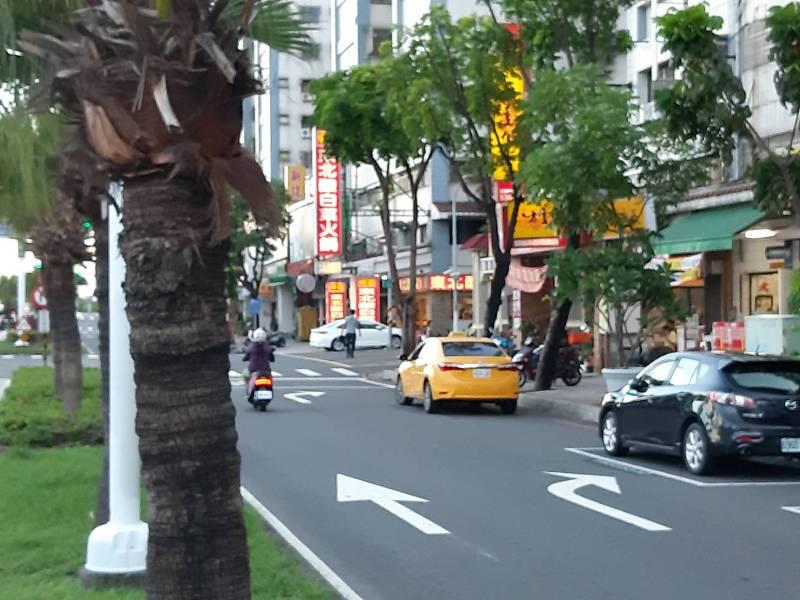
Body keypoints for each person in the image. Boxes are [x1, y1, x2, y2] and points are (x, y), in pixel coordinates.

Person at [243, 328, 275, 396]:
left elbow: (246, 357)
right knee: (270, 378)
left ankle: (248, 391)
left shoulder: (251, 347)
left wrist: (245, 358)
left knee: (245, 375)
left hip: (253, 370)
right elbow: (272, 359)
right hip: (266, 370)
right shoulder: (268, 347)